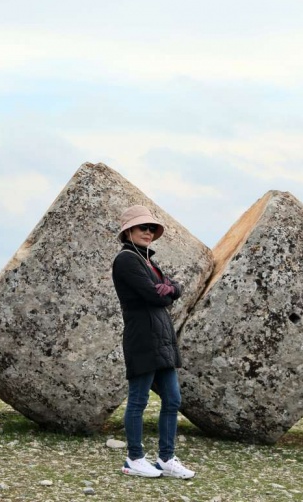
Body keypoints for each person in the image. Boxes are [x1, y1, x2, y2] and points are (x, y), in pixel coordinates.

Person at [111, 205, 196, 479]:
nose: (148, 232)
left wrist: (169, 289)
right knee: (139, 400)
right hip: (142, 338)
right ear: (128, 231)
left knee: (173, 399)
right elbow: (156, 296)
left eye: (151, 228)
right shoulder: (126, 260)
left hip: (162, 337)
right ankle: (134, 458)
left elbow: (174, 287)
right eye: (142, 228)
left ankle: (166, 458)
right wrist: (168, 290)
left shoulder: (148, 261)